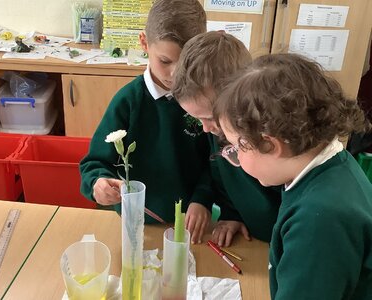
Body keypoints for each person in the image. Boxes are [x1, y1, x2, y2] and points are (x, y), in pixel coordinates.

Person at [214, 53, 372, 299]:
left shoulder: (319, 219)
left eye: (236, 148)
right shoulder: (331, 167)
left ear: (271, 145)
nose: (234, 158)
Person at [80, 0, 214, 243]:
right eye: (165, 61)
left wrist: (202, 198)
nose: (175, 73)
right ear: (144, 43)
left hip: (189, 228)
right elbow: (94, 164)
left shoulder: (204, 102)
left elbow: (216, 161)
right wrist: (98, 184)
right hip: (133, 226)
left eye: (186, 63)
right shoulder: (128, 101)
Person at [172, 31, 281, 246]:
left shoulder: (269, 140)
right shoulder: (218, 129)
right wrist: (232, 214)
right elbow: (220, 174)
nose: (205, 129)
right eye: (197, 120)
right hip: (250, 238)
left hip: (282, 243)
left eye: (209, 118)